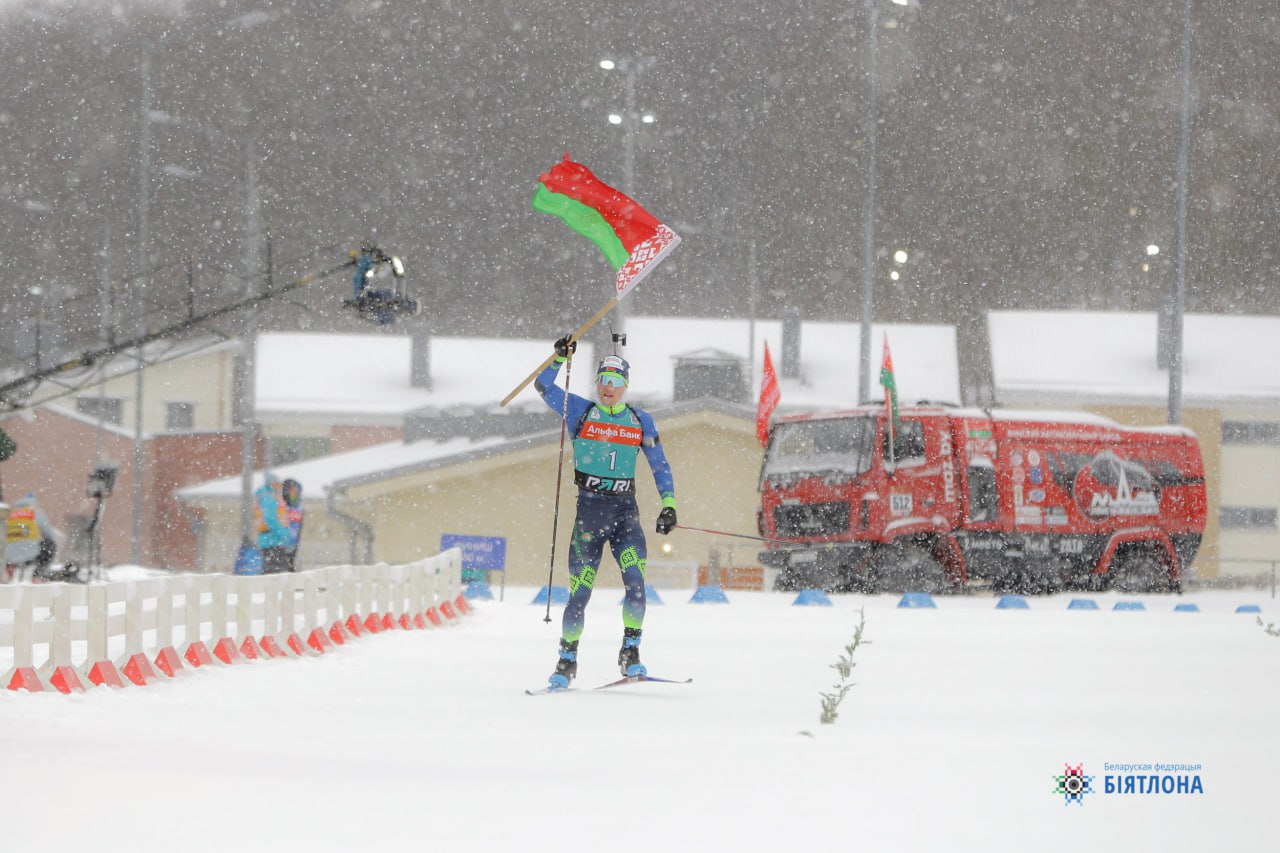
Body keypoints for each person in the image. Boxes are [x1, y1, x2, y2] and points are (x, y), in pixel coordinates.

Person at [534, 338, 678, 689]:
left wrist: (669, 505)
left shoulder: (640, 420)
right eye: (603, 380)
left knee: (636, 584)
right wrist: (559, 358)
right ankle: (566, 661)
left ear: (625, 385)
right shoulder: (581, 411)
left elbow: (659, 465)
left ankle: (631, 653)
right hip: (590, 516)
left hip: (626, 515)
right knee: (579, 593)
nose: (608, 388)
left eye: (615, 381)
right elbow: (543, 386)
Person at [5, 492, 64, 583]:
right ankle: (37, 575)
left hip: (9, 556)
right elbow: (48, 533)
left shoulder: (10, 512)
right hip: (30, 554)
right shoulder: (35, 511)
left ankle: (9, 568)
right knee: (50, 544)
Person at [254, 473, 293, 575]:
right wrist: (283, 535)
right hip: (273, 541)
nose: (279, 487)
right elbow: (270, 519)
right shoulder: (268, 499)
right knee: (276, 573)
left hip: (271, 540)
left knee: (273, 572)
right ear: (271, 484)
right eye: (277, 484)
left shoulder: (267, 497)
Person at [282, 478, 304, 572]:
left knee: (290, 569)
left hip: (293, 544)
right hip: (280, 544)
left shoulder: (299, 507)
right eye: (292, 491)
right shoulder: (281, 506)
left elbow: (299, 527)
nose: (294, 494)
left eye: (296, 491)